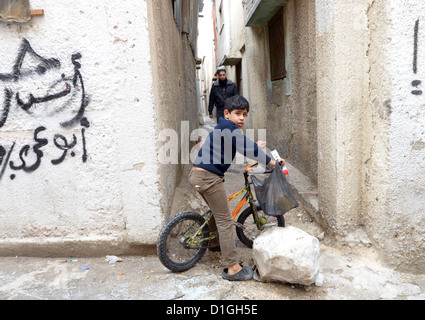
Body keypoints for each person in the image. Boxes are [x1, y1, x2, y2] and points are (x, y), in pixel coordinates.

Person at [189, 95, 285, 281]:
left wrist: (255, 146)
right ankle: (232, 267)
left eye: (245, 114)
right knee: (225, 220)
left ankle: (215, 241)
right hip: (209, 178)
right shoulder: (230, 128)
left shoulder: (225, 127)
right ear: (227, 113)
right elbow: (247, 149)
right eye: (238, 113)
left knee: (215, 212)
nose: (242, 118)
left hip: (198, 176)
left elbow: (241, 146)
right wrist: (273, 162)